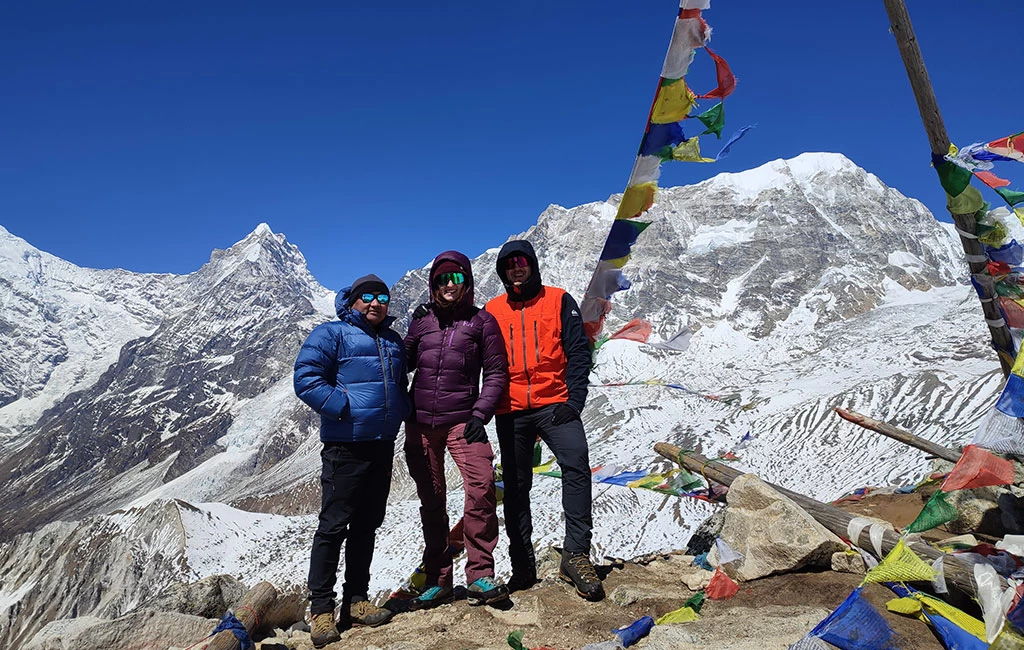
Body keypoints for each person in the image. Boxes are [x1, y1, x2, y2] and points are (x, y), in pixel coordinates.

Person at [293, 274, 411, 648]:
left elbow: (399, 384)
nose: (376, 303)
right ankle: (323, 610)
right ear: (353, 300)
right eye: (368, 297)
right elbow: (306, 378)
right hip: (345, 445)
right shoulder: (331, 334)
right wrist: (343, 407)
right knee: (333, 526)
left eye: (383, 297)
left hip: (381, 444)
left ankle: (356, 602)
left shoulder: (392, 340)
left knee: (366, 525)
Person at [484, 240, 605, 601]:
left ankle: (577, 555)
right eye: (508, 264)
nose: (516, 268)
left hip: (555, 405)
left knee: (577, 466)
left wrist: (575, 401)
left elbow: (578, 351)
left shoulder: (558, 299)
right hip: (510, 410)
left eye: (521, 261)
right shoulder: (492, 310)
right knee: (517, 487)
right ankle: (522, 565)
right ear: (502, 271)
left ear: (532, 264)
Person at [403, 251, 511, 609]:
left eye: (457, 278)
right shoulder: (422, 322)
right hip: (420, 423)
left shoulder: (482, 322)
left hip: (465, 420)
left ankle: (480, 575)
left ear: (468, 282)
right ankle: (439, 579)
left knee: (481, 488)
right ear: (433, 284)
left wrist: (481, 414)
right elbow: (401, 362)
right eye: (443, 279)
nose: (450, 285)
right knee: (432, 501)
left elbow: (496, 372)